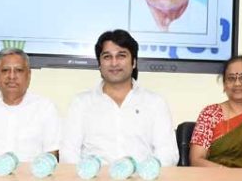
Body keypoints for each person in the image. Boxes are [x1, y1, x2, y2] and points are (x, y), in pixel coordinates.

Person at [61, 29, 178, 166]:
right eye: (107, 57)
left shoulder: (155, 103)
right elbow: (68, 154)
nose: (114, 63)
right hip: (94, 177)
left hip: (142, 177)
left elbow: (168, 154)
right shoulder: (81, 103)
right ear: (99, 64)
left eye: (121, 56)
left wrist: (145, 173)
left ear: (134, 62)